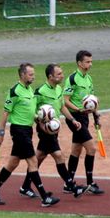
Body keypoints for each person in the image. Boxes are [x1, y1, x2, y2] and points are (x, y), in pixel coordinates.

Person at [0, 63, 59, 207]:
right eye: (30, 74)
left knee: (13, 163)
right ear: (22, 75)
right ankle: (45, 197)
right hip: (19, 131)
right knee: (33, 161)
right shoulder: (14, 91)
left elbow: (30, 112)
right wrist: (0, 134)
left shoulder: (30, 90)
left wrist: (40, 121)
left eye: (33, 74)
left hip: (27, 130)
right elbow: (5, 113)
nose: (33, 76)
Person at [19, 63, 88, 198]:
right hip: (45, 130)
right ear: (50, 76)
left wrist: (73, 120)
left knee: (38, 157)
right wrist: (41, 123)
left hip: (54, 129)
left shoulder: (58, 89)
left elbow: (62, 107)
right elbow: (31, 110)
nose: (62, 76)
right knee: (58, 156)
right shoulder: (40, 92)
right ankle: (72, 187)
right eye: (59, 74)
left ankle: (25, 186)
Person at [63, 50, 104, 194]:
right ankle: (90, 183)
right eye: (87, 62)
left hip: (84, 117)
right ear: (79, 63)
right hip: (75, 118)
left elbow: (91, 102)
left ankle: (68, 183)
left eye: (91, 61)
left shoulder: (89, 79)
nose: (90, 64)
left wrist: (96, 116)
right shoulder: (72, 79)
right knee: (91, 149)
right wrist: (78, 110)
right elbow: (65, 101)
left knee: (76, 150)